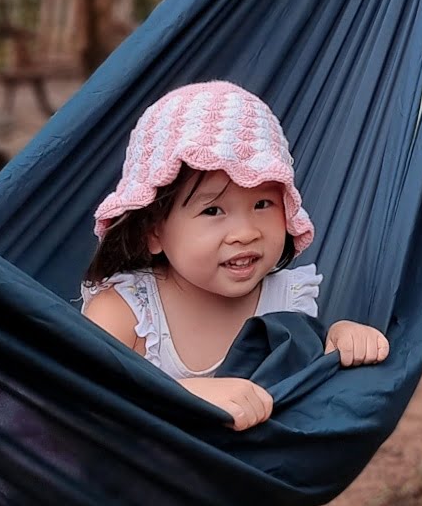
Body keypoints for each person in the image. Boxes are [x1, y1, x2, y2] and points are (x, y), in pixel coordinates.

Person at [82, 81, 388, 430]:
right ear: (153, 231)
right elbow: (80, 399)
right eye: (213, 211)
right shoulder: (126, 310)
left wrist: (339, 339)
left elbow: (306, 380)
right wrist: (183, 396)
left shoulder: (287, 303)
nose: (246, 233)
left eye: (262, 204)